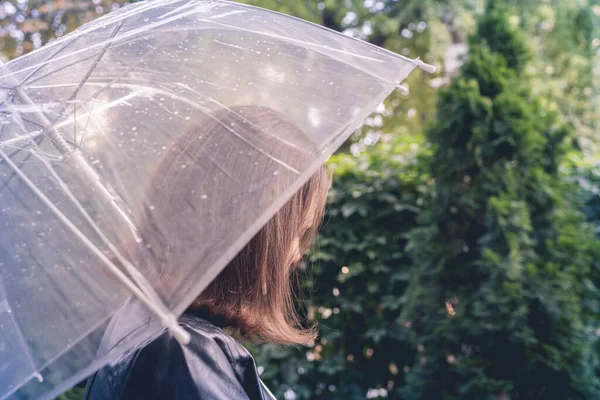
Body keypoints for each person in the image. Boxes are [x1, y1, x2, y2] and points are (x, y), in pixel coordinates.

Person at [84, 105, 331, 399]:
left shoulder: (147, 321)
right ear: (248, 228)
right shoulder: (187, 355)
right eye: (295, 235)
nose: (296, 255)